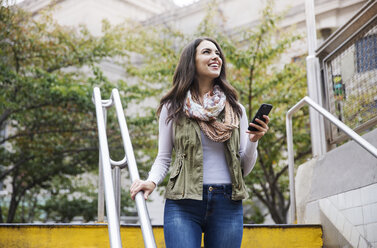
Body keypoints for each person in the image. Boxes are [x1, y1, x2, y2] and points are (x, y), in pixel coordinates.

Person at [130, 37, 270, 248]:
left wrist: (253, 141)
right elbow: (164, 157)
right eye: (207, 52)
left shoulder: (235, 109)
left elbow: (244, 169)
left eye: (217, 53)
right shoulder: (173, 106)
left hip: (227, 202)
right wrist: (151, 181)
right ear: (191, 62)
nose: (216, 57)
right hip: (183, 202)